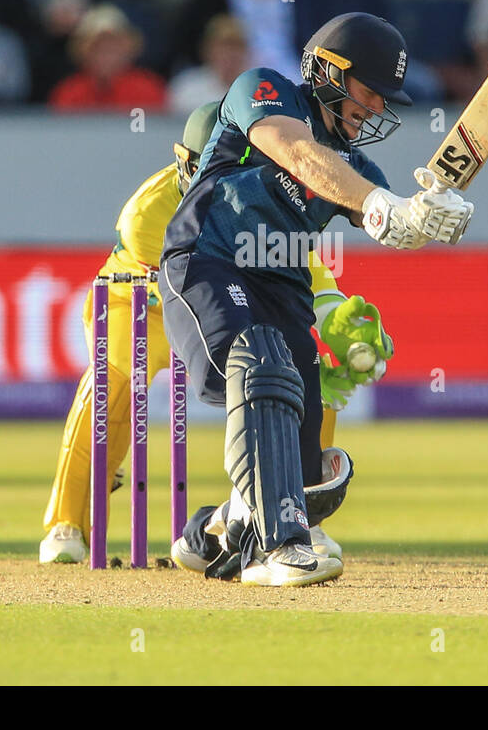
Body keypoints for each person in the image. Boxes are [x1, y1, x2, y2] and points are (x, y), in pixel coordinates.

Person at [159, 12, 473, 586]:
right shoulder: (266, 91)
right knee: (257, 358)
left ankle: (214, 530)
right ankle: (279, 547)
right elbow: (298, 153)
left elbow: (383, 212)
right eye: (371, 93)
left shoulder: (352, 163)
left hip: (283, 290)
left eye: (386, 99)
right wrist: (383, 205)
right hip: (209, 260)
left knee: (304, 471)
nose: (378, 109)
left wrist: (426, 217)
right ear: (328, 71)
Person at [40, 101, 392, 565]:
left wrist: (337, 321)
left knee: (301, 378)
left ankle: (297, 519)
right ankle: (68, 521)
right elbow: (187, 280)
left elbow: (302, 268)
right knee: (114, 385)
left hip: (229, 297)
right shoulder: (148, 210)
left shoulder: (264, 193)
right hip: (139, 304)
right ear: (183, 158)